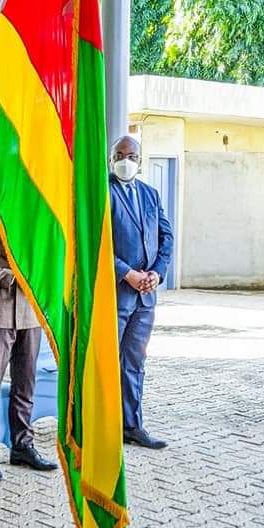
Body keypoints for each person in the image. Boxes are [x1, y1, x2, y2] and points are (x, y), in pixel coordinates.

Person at [0, 202, 57, 479]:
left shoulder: (36, 212)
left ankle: (22, 445)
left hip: (30, 313)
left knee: (26, 384)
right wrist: (10, 278)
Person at [109, 135, 174, 449]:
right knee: (107, 362)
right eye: (119, 155)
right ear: (111, 159)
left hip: (146, 295)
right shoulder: (101, 193)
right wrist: (127, 273)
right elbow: (94, 244)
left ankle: (132, 426)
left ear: (140, 160)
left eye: (131, 155)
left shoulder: (151, 194)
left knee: (135, 362)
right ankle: (103, 427)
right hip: (115, 293)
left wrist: (156, 274)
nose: (125, 160)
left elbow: (166, 236)